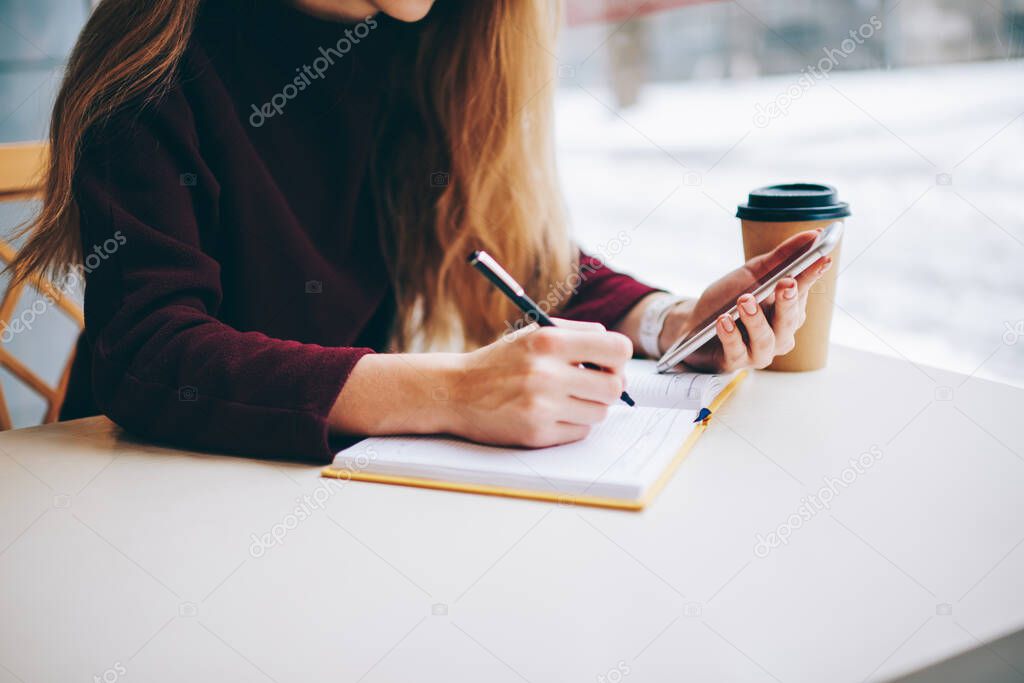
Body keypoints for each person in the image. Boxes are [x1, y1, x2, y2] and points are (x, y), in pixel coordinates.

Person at [10, 0, 830, 460]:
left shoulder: (430, 40)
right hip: (142, 495)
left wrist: (671, 321)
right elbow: (151, 356)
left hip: (334, 492)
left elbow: (505, 251)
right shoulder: (155, 53)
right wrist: (453, 392)